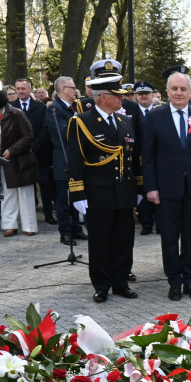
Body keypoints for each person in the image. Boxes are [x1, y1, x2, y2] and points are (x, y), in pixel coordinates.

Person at [66, 69, 142, 303]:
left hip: (125, 192)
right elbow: (76, 159)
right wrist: (77, 192)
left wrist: (139, 187)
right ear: (102, 97)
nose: (122, 99)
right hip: (98, 193)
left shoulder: (125, 121)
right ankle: (101, 284)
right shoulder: (81, 121)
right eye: (117, 95)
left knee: (123, 240)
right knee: (100, 242)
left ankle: (120, 282)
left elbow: (133, 157)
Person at [141, 72, 191, 301]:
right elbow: (148, 155)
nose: (179, 93)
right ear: (167, 92)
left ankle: (190, 280)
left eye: (183, 89)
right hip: (166, 189)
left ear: (190, 91)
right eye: (174, 89)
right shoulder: (155, 117)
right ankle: (174, 280)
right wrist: (151, 187)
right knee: (170, 238)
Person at [0, 88, 39, 237]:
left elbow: (28, 136)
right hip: (2, 160)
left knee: (24, 192)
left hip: (19, 160)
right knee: (7, 192)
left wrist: (12, 150)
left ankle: (29, 226)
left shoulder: (16, 113)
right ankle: (10, 225)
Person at [46, 76, 88, 246]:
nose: (76, 90)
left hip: (76, 159)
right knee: (63, 199)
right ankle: (65, 232)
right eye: (72, 87)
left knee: (76, 196)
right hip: (63, 159)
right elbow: (65, 133)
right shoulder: (54, 109)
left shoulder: (74, 107)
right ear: (63, 89)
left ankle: (76, 229)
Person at [13, 78, 55, 226]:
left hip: (40, 152)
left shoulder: (41, 107)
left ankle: (48, 214)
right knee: (24, 185)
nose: (20, 91)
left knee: (44, 184)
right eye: (18, 89)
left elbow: (45, 128)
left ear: (30, 90)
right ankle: (27, 217)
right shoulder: (12, 107)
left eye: (23, 89)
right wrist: (21, 147)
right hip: (20, 153)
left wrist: (35, 145)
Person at [134, 80, 160, 236]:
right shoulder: (129, 112)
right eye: (140, 94)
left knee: (159, 189)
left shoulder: (160, 111)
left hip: (158, 159)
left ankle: (160, 223)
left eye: (146, 93)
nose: (144, 96)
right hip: (138, 159)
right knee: (142, 191)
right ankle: (146, 223)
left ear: (153, 95)